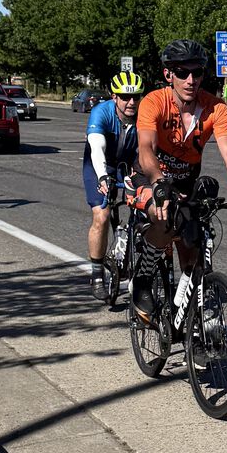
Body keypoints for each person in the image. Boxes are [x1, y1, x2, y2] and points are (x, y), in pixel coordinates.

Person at [129, 40, 227, 323]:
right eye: (182, 73)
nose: (191, 80)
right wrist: (158, 181)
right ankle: (143, 277)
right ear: (169, 74)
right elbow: (146, 148)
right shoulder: (154, 101)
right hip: (149, 175)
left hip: (185, 181)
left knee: (193, 254)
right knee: (162, 216)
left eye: (197, 72)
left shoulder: (215, 107)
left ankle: (195, 328)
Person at [83, 72, 144, 301]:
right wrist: (102, 177)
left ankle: (131, 252)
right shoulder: (102, 112)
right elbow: (96, 147)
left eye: (136, 97)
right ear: (113, 96)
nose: (131, 102)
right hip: (99, 165)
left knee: (145, 208)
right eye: (125, 97)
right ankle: (97, 273)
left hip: (128, 164)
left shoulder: (143, 115)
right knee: (102, 215)